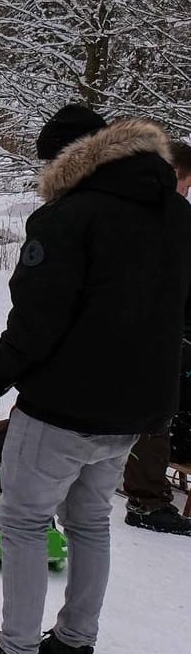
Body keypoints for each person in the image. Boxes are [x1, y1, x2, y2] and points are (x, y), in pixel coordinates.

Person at [0, 107, 191, 654]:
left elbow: (37, 316)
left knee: (24, 523)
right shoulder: (179, 214)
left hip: (63, 405)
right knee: (89, 522)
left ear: (67, 161)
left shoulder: (67, 218)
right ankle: (74, 649)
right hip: (138, 410)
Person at [118, 139, 191, 535]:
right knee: (154, 408)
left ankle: (10, 445)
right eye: (186, 184)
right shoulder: (163, 215)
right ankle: (147, 500)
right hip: (144, 332)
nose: (185, 193)